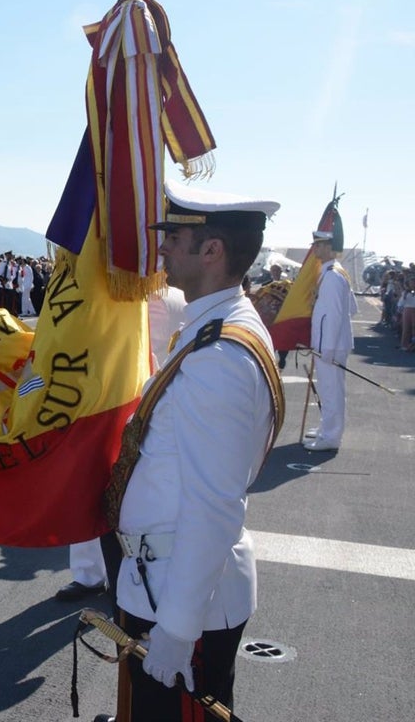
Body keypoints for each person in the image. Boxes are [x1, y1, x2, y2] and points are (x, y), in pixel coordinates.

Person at [96, 180, 284, 722]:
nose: (163, 248)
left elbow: (216, 503)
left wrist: (177, 630)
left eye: (173, 236)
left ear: (212, 250)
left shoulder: (220, 353)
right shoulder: (212, 328)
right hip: (162, 582)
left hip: (183, 601)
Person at [304, 230, 358, 451]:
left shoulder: (333, 276)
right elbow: (351, 309)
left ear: (328, 247)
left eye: (318, 245)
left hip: (330, 346)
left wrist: (327, 346)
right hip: (331, 343)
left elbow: (335, 314)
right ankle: (327, 427)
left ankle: (331, 437)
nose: (314, 249)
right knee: (328, 389)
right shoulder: (335, 273)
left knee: (331, 390)